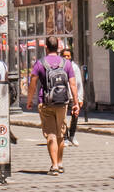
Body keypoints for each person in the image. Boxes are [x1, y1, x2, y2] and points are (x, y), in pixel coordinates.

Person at [26, 36, 78, 175]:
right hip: (62, 102)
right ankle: (60, 163)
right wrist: (76, 103)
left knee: (51, 134)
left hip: (46, 101)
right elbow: (72, 84)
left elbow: (33, 83)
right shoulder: (66, 64)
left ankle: (54, 165)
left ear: (46, 47)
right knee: (61, 133)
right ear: (58, 48)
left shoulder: (39, 63)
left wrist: (30, 99)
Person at [62, 47, 83, 147]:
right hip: (62, 96)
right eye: (64, 56)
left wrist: (80, 98)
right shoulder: (59, 67)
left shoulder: (74, 67)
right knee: (63, 118)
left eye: (68, 56)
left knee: (75, 116)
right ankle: (65, 137)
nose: (66, 57)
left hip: (73, 97)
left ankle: (72, 135)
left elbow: (79, 83)